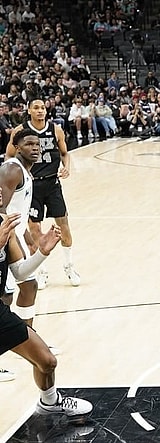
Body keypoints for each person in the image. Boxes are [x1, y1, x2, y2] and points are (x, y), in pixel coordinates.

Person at [0, 204, 92, 416]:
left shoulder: (5, 223)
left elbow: (20, 273)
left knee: (47, 361)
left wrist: (41, 252)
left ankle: (49, 402)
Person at [6, 99, 80, 291]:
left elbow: (65, 153)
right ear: (29, 110)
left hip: (52, 183)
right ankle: (42, 271)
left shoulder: (56, 130)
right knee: (35, 229)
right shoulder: (19, 132)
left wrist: (67, 167)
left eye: (43, 108)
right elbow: (9, 156)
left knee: (63, 226)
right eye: (36, 108)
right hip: (33, 186)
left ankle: (69, 266)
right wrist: (19, 173)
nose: (40, 111)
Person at [0, 129, 47, 329]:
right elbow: (1, 209)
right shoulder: (13, 169)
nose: (35, 148)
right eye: (28, 144)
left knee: (29, 286)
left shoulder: (25, 170)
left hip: (16, 234)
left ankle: (27, 337)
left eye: (37, 144)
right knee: (6, 296)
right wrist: (13, 240)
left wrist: (27, 236)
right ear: (17, 147)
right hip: (6, 238)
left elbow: (17, 208)